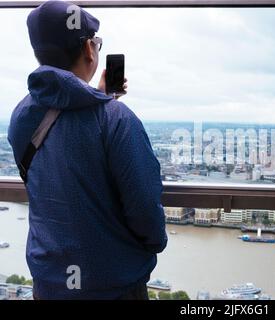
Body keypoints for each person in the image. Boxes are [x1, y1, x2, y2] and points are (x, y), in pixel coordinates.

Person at [7, 0, 167, 300]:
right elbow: (144, 209)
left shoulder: (21, 116)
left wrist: (98, 97)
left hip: (50, 284)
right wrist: (152, 246)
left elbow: (54, 172)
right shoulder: (116, 119)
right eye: (97, 42)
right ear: (88, 49)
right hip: (112, 286)